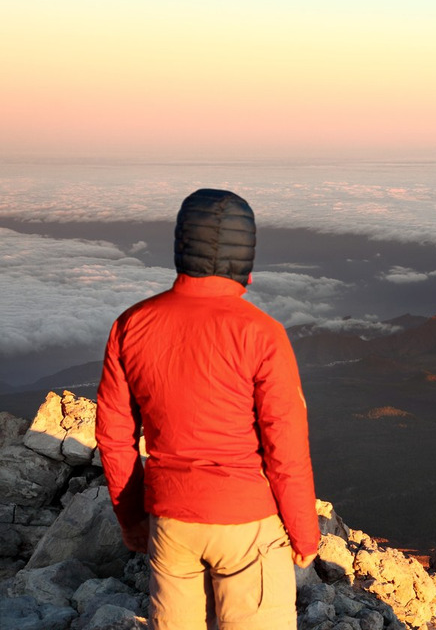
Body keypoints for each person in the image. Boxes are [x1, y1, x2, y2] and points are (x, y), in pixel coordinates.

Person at [96, 188, 320, 630]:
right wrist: (303, 531)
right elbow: (285, 446)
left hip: (171, 523)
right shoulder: (262, 333)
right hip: (247, 525)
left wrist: (133, 519)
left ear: (180, 249)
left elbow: (114, 436)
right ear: (247, 261)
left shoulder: (131, 324)